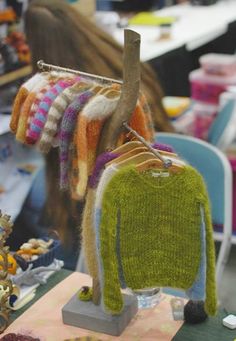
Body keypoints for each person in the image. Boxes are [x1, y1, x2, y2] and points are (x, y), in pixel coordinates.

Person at [22, 0, 174, 269]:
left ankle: (64, 264)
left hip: (115, 190)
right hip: (153, 166)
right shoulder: (113, 57)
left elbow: (68, 172)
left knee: (29, 200)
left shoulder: (69, 102)